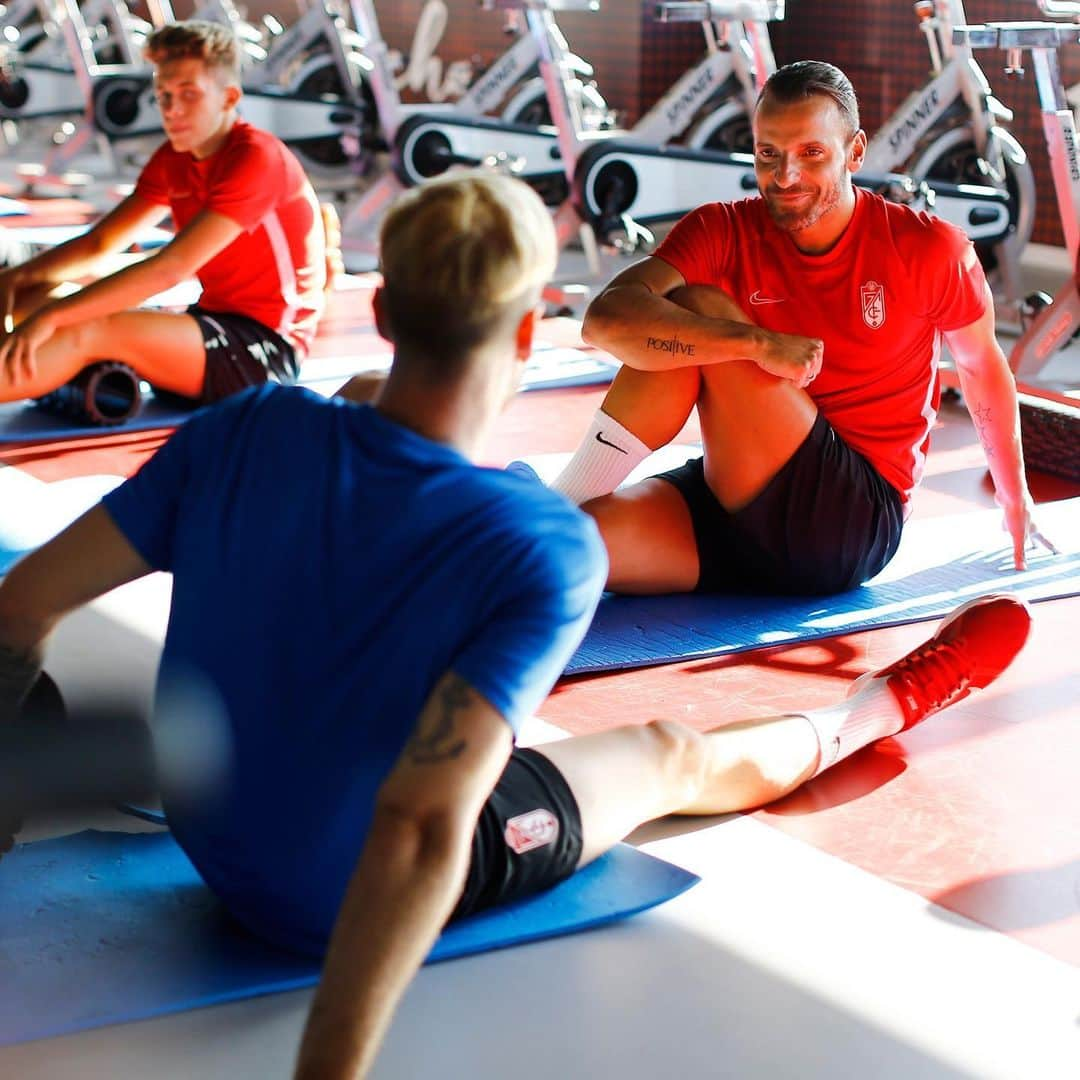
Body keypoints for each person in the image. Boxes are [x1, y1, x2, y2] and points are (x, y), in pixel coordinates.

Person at [0, 173, 1033, 1080]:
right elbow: (421, 820)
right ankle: (877, 705)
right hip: (324, 896)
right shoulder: (541, 543)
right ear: (531, 334)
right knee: (668, 759)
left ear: (389, 310)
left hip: (205, 829)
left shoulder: (246, 427)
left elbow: (20, 608)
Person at [552, 60, 1054, 595]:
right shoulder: (722, 227)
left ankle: (535, 518)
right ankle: (544, 521)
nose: (786, 176)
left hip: (845, 521)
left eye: (811, 153)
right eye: (769, 153)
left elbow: (981, 367)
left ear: (855, 152)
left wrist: (1014, 495)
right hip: (733, 498)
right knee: (566, 552)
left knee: (697, 305)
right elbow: (605, 320)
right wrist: (757, 343)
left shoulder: (929, 248)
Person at [0, 21, 326, 407]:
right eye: (163, 96)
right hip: (203, 326)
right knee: (35, 295)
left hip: (263, 353)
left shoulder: (256, 158)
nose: (172, 110)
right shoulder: (175, 159)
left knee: (82, 323)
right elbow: (100, 243)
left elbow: (168, 269)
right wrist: (15, 279)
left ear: (229, 97)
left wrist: (52, 319)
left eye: (189, 94)